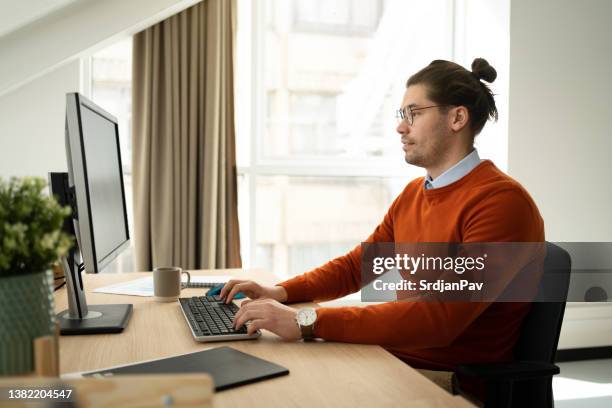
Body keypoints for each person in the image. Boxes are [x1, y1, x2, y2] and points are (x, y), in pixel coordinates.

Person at [221, 58, 544, 400]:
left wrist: (307, 321)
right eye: (401, 115)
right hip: (391, 357)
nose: (401, 128)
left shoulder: (500, 203)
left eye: (414, 113)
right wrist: (280, 293)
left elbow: (441, 315)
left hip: (446, 381)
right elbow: (356, 266)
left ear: (457, 118)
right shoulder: (413, 195)